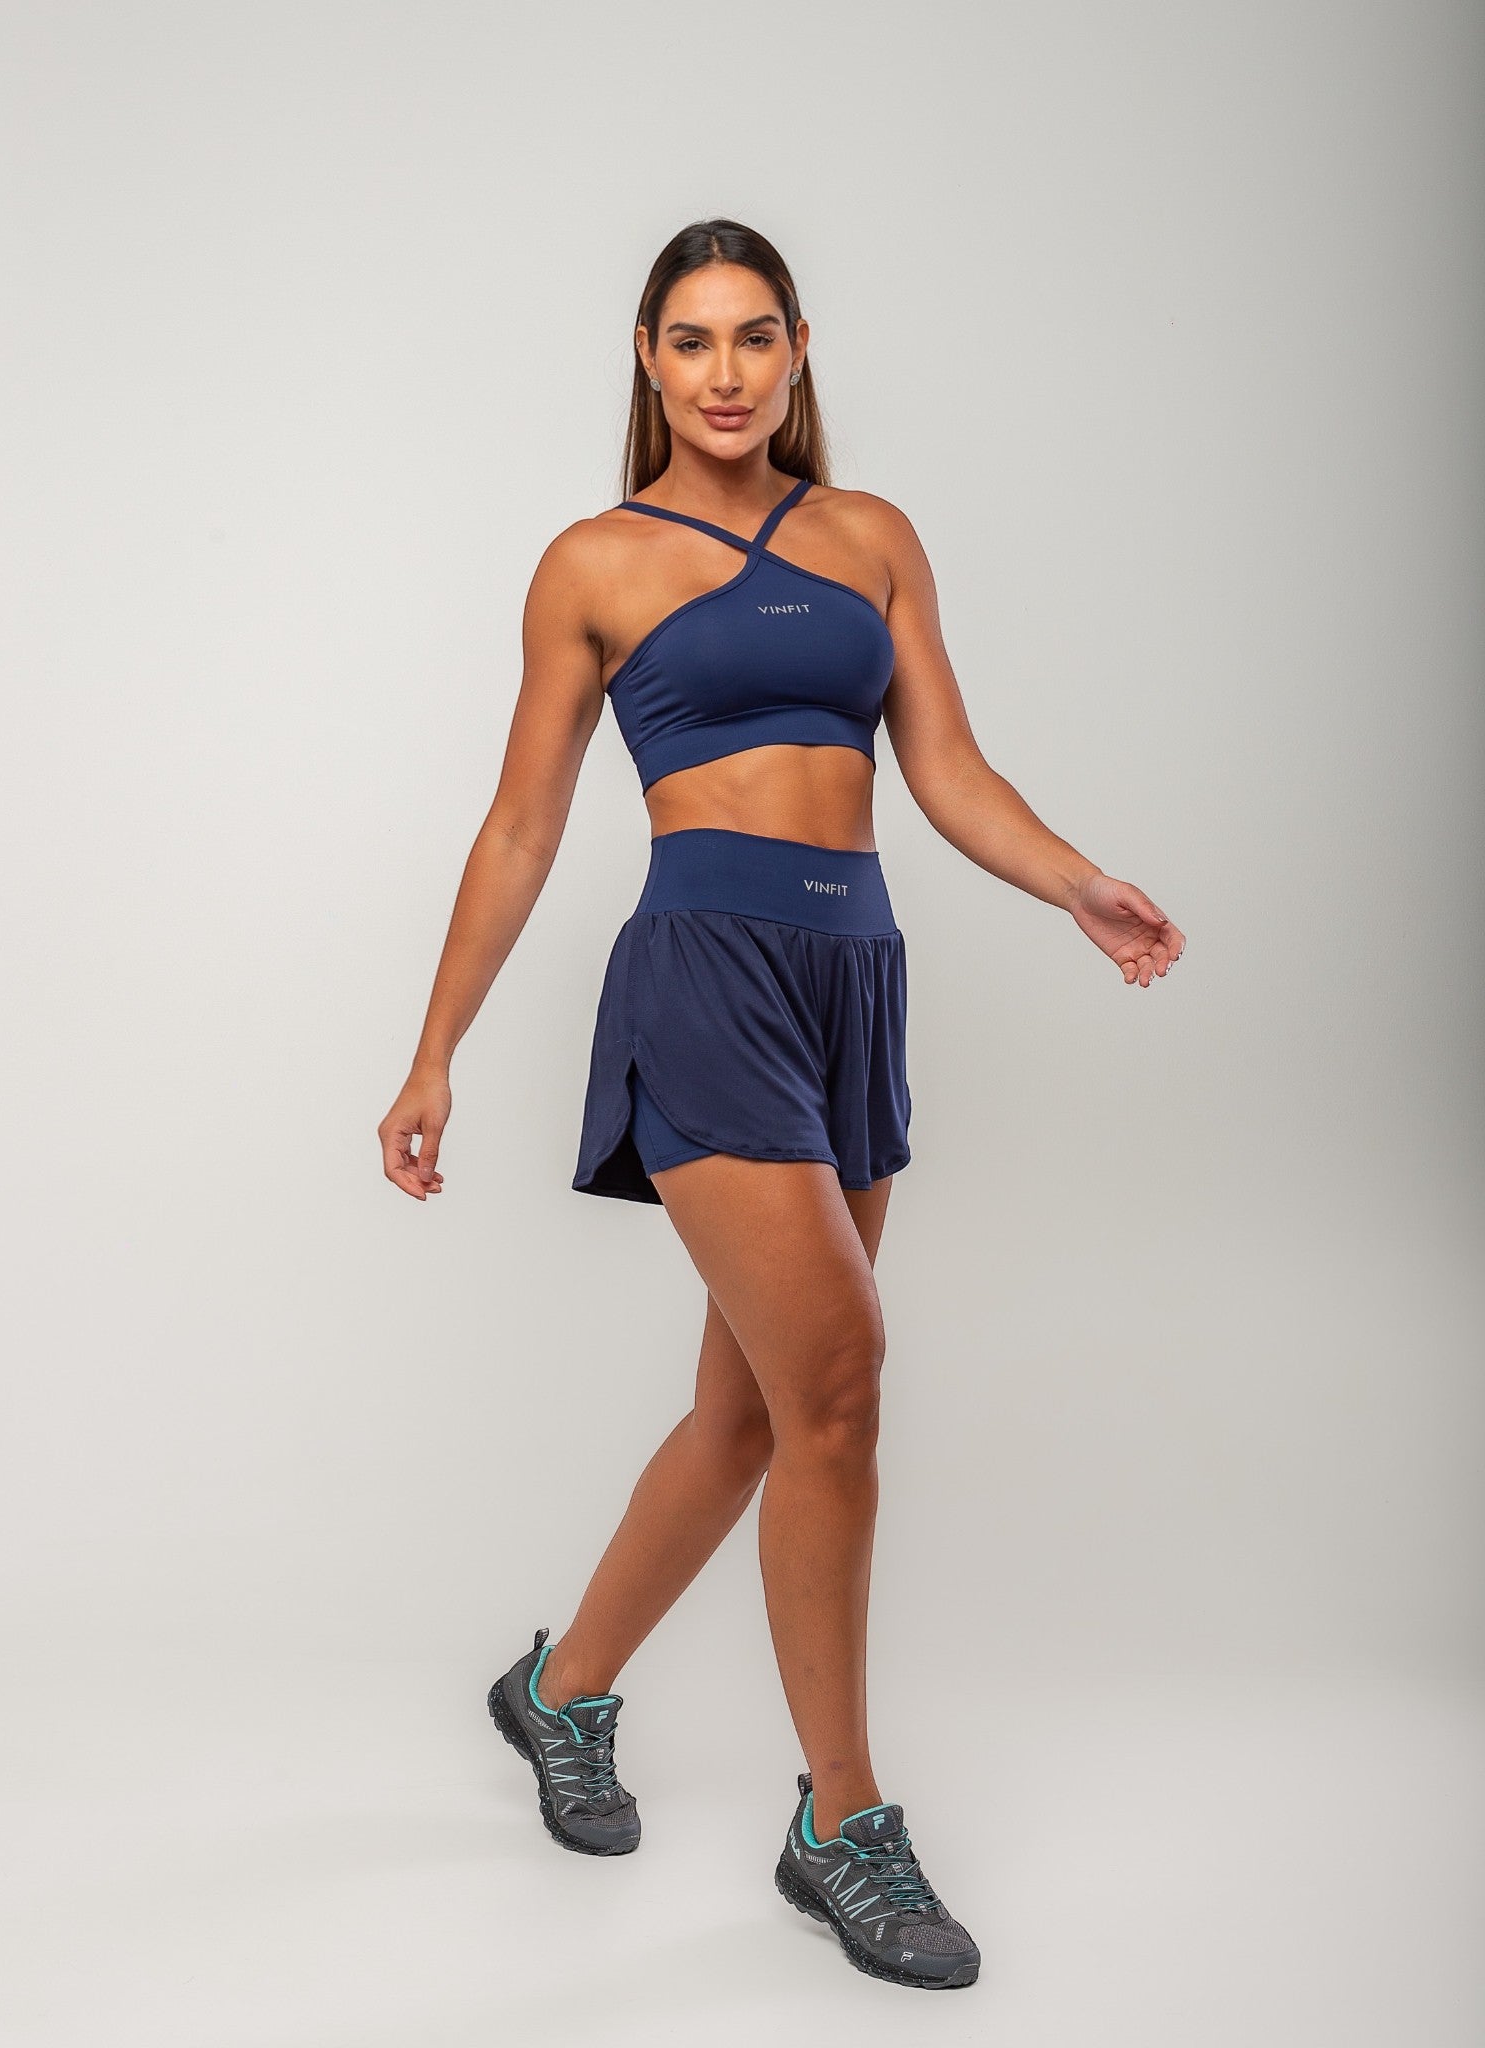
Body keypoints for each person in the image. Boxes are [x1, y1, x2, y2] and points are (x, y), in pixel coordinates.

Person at [378, 217, 1185, 1992]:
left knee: (751, 1418)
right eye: (690, 341)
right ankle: (843, 1823)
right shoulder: (593, 560)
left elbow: (946, 767)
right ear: (647, 361)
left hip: (853, 980)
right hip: (707, 981)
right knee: (840, 1382)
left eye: (755, 337)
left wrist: (1076, 882)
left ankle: (559, 1692)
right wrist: (437, 1050)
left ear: (800, 350)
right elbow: (521, 825)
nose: (725, 373)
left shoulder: (871, 537)